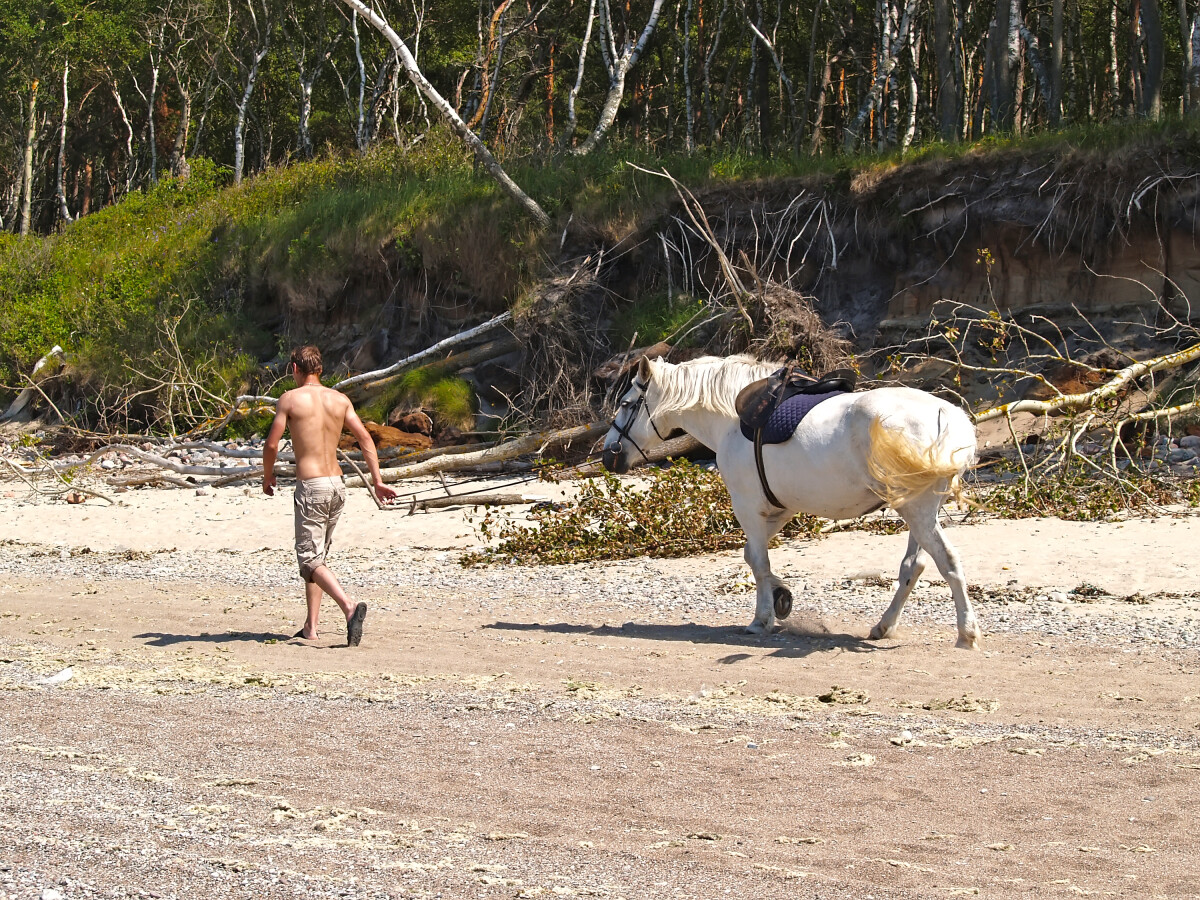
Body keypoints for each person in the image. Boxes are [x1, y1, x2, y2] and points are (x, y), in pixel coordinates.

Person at [262, 345, 398, 646]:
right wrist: (377, 481)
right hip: (338, 485)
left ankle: (349, 608)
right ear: (320, 370)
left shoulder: (289, 399)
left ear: (295, 369)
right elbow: (365, 439)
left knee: (310, 560)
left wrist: (267, 475)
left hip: (312, 487)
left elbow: (272, 445)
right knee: (319, 558)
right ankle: (311, 626)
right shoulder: (340, 399)